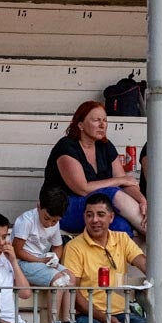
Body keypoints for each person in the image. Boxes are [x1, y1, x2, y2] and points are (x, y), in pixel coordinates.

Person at [63, 193, 149, 323]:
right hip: (88, 316)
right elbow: (73, 293)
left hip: (120, 314)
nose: (95, 220)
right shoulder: (74, 247)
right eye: (89, 214)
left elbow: (147, 266)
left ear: (111, 217)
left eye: (101, 214)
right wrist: (103, 317)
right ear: (84, 217)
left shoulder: (121, 239)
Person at [42, 99, 145, 234]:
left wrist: (143, 201)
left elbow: (127, 183)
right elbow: (83, 189)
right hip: (62, 209)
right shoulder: (66, 146)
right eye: (96, 120)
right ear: (80, 125)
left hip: (96, 207)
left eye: (105, 120)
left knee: (121, 226)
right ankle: (161, 239)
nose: (102, 125)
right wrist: (119, 181)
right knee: (110, 192)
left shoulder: (106, 146)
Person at [12, 186, 89, 323]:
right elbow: (17, 250)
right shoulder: (26, 221)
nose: (50, 223)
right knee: (59, 280)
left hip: (41, 262)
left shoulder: (54, 223)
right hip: (22, 264)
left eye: (55, 221)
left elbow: (58, 246)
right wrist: (41, 261)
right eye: (47, 218)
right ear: (39, 206)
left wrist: (55, 257)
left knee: (70, 277)